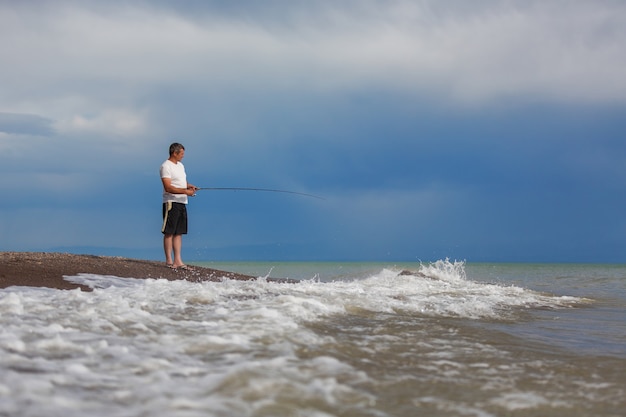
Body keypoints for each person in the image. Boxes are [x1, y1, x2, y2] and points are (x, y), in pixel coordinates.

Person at [160, 142, 197, 269]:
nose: (183, 156)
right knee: (169, 232)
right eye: (181, 154)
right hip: (171, 202)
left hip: (182, 202)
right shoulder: (166, 166)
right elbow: (168, 187)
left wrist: (189, 186)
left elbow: (181, 181)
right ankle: (169, 261)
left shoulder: (180, 165)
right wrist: (186, 191)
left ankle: (178, 261)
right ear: (174, 153)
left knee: (179, 232)